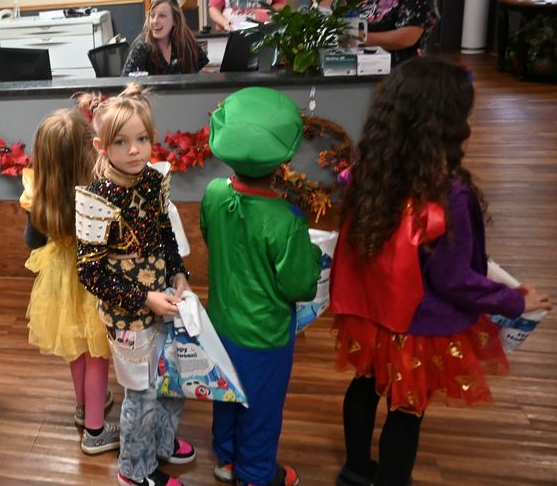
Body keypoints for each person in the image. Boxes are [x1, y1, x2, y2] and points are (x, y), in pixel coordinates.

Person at [330, 58, 551, 486]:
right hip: (418, 325)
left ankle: (354, 470)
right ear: (446, 125)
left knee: (365, 384)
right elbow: (454, 279)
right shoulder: (448, 196)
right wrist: (515, 299)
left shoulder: (369, 172)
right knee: (406, 410)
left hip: (372, 313)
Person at [76, 83, 196, 486]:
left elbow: (165, 233)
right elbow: (90, 273)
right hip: (127, 313)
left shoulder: (152, 180)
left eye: (142, 139)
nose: (135, 150)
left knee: (172, 378)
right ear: (101, 146)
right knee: (141, 394)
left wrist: (180, 273)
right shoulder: (96, 200)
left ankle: (161, 443)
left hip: (164, 297)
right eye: (122, 142)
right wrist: (145, 298)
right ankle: (135, 469)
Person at [201, 87, 322, 486]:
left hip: (220, 324)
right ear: (282, 160)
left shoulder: (214, 194)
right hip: (264, 335)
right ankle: (255, 474)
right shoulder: (286, 220)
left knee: (228, 392)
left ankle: (227, 459)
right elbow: (300, 285)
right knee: (262, 405)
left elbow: (210, 237)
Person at [20, 108, 117, 455]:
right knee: (97, 353)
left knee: (76, 346)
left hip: (59, 278)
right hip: (94, 281)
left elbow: (32, 241)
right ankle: (95, 431)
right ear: (89, 149)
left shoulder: (37, 195)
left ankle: (83, 406)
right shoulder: (100, 192)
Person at [122, 0, 208, 76]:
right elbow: (124, 85)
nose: (155, 21)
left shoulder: (187, 42)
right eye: (152, 16)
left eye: (162, 16)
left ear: (175, 20)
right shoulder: (141, 48)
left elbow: (202, 73)